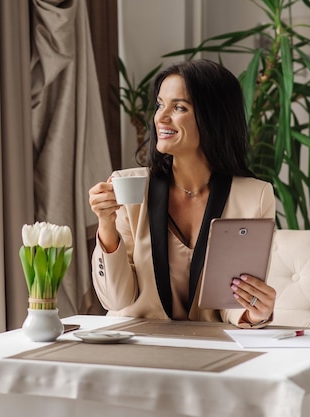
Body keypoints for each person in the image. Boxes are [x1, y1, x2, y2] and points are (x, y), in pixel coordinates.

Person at [88, 59, 276, 328]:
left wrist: (254, 312)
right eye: (159, 104)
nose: (161, 118)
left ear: (213, 117)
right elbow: (116, 300)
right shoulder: (127, 187)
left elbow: (232, 299)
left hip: (209, 348)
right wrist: (106, 224)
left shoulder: (253, 196)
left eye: (179, 107)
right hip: (136, 344)